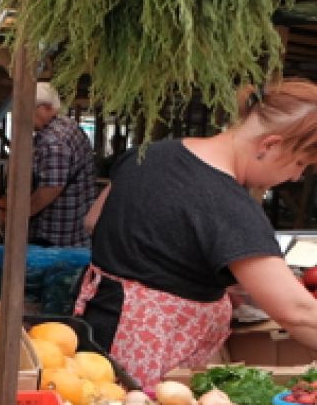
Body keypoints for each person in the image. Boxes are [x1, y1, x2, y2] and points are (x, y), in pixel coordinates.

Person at [77, 79, 317, 387]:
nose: (296, 176)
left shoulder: (153, 153)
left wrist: (180, 272)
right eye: (300, 163)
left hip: (98, 328)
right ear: (269, 145)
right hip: (155, 356)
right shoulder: (229, 205)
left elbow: (94, 220)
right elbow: (296, 311)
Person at [27, 82, 98, 248]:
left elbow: (51, 188)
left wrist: (21, 214)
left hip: (56, 235)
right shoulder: (70, 126)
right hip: (78, 231)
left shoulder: (52, 140)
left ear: (46, 108)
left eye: (28, 110)